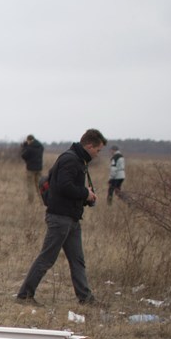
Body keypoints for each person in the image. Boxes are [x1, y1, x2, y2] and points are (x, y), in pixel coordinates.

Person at [16, 128, 108, 305]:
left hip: (71, 218)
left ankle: (85, 298)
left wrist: (84, 195)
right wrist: (85, 193)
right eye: (98, 150)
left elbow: (63, 185)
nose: (98, 154)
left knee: (77, 260)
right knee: (47, 258)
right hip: (60, 218)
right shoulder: (70, 160)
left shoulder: (77, 159)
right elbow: (64, 187)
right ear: (89, 145)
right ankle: (25, 295)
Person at [20, 135, 44, 202]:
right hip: (39, 168)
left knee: (30, 185)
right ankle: (42, 200)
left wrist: (25, 147)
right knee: (39, 185)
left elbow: (23, 156)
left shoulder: (29, 148)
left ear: (29, 140)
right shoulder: (40, 147)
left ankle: (30, 201)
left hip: (30, 169)